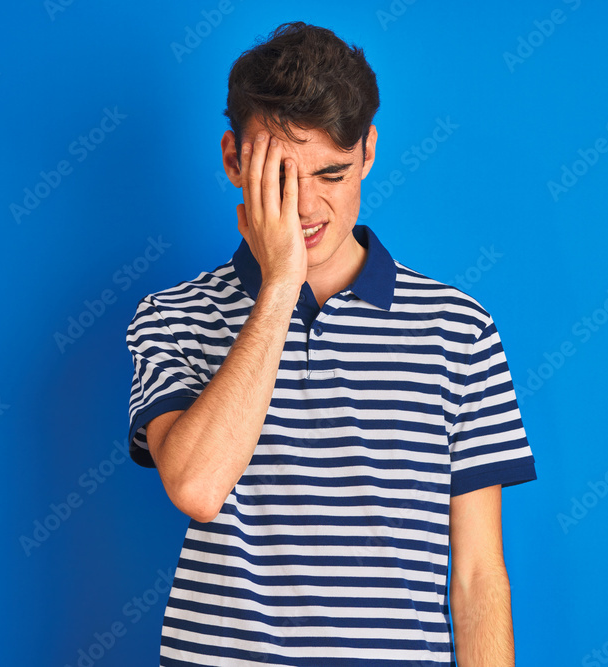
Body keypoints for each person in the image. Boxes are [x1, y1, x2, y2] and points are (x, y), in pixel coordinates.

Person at [126, 21, 537, 666]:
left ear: (368, 151)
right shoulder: (173, 315)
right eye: (280, 176)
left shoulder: (459, 328)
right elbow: (198, 488)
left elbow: (480, 575)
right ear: (234, 159)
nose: (307, 207)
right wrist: (281, 284)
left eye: (332, 173)